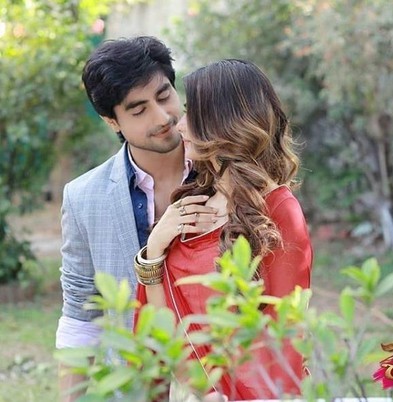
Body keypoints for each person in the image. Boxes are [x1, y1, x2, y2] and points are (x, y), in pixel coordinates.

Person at [134, 59, 313, 401]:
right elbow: (161, 322)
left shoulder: (278, 210)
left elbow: (284, 336)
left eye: (192, 114)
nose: (179, 125)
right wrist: (154, 248)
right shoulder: (191, 203)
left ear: (222, 123)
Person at [55, 35, 214, 402]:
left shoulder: (226, 175)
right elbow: (80, 314)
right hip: (134, 388)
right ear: (112, 121)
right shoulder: (83, 197)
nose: (162, 118)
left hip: (221, 384)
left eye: (164, 96)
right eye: (138, 110)